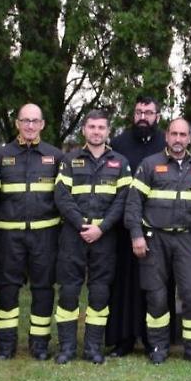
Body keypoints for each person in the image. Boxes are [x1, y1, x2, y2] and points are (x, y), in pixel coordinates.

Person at [125, 118, 191, 365]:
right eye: (174, 134)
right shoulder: (150, 164)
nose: (178, 139)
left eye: (183, 134)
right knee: (157, 296)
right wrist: (136, 235)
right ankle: (158, 347)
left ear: (189, 138)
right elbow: (133, 203)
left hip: (185, 237)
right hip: (154, 238)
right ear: (166, 136)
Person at [53, 110, 132, 364]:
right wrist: (81, 225)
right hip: (73, 235)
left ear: (108, 131)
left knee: (99, 293)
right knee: (68, 291)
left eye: (101, 127)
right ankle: (66, 348)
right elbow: (61, 196)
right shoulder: (70, 159)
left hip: (105, 237)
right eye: (92, 127)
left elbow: (123, 201)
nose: (96, 131)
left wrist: (102, 228)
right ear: (84, 130)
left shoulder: (120, 163)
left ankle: (92, 348)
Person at [0, 103, 63, 360]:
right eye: (25, 121)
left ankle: (40, 344)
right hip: (9, 236)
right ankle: (6, 345)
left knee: (43, 289)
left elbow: (62, 198)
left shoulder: (55, 156)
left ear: (42, 124)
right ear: (17, 124)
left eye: (35, 121)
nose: (30, 126)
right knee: (7, 289)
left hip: (45, 236)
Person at [107, 94, 166, 357]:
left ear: (157, 116)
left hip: (158, 227)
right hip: (124, 228)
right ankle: (124, 338)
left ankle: (155, 339)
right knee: (124, 285)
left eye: (149, 112)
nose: (143, 117)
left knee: (156, 287)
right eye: (139, 112)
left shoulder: (166, 143)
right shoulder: (118, 144)